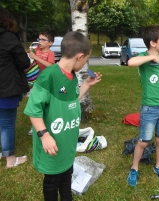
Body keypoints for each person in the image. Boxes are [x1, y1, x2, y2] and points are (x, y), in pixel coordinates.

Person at [24, 31, 102, 200]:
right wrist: (44, 135)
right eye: (86, 60)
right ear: (80, 56)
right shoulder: (48, 76)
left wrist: (87, 84)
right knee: (52, 181)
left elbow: (72, 100)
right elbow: (33, 110)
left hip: (66, 143)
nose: (84, 64)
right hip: (52, 144)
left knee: (67, 176)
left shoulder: (72, 77)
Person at [126, 24, 159, 187]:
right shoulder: (143, 57)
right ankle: (134, 168)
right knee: (144, 141)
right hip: (149, 108)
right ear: (153, 43)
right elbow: (130, 62)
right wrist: (151, 57)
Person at [0, 6, 30, 168]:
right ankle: (10, 160)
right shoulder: (8, 38)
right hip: (6, 88)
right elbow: (24, 62)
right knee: (6, 124)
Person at [27, 31, 55, 135]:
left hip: (45, 82)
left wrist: (36, 57)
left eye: (43, 40)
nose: (40, 41)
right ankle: (34, 126)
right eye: (39, 39)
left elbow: (51, 66)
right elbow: (28, 54)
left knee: (43, 103)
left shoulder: (50, 53)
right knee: (34, 104)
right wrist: (29, 52)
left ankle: (43, 124)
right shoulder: (36, 49)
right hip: (34, 81)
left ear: (50, 43)